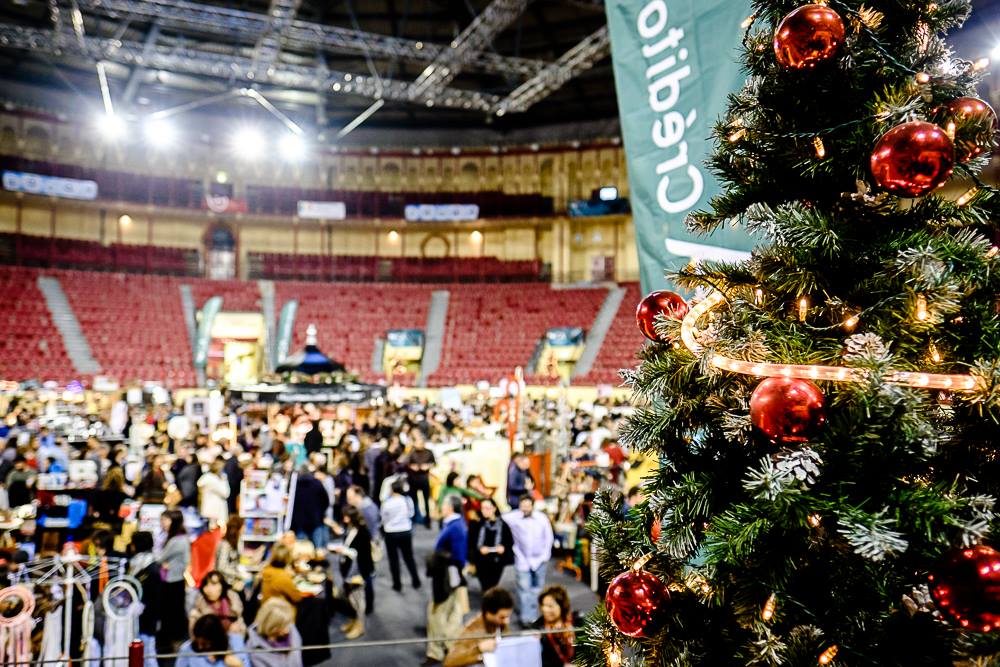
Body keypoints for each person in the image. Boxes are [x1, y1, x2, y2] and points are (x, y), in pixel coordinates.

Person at [424, 494, 468, 666]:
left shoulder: (455, 527)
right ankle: (448, 647)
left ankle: (439, 651)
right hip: (448, 574)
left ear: (450, 507)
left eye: (443, 504)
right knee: (451, 613)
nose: (441, 507)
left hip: (447, 576)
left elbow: (458, 558)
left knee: (437, 612)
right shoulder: (453, 524)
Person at [503, 495, 554, 626]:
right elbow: (499, 517)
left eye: (527, 505)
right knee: (524, 589)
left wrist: (545, 557)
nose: (525, 508)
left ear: (532, 505)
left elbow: (549, 537)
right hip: (522, 559)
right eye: (522, 506)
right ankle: (527, 619)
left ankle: (535, 615)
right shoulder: (513, 517)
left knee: (537, 589)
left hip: (540, 559)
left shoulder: (542, 518)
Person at [443, 587, 515, 667]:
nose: (507, 621)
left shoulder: (500, 624)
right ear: (489, 613)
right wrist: (478, 649)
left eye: (508, 617)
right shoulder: (472, 631)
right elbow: (449, 662)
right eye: (502, 617)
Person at [330, 505, 373, 639]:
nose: (344, 518)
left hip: (359, 571)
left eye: (346, 516)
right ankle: (353, 621)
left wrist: (342, 550)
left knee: (358, 601)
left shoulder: (363, 532)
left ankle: (360, 626)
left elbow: (360, 553)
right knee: (350, 598)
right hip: (348, 570)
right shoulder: (350, 530)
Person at [157, 509, 192, 648]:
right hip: (175, 580)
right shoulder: (180, 537)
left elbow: (160, 558)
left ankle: (170, 641)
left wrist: (167, 564)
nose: (162, 523)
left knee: (171, 613)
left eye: (165, 520)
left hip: (172, 581)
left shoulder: (177, 540)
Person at [380, 479, 421, 592]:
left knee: (394, 560)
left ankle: (397, 584)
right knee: (409, 557)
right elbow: (411, 513)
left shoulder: (387, 503)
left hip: (391, 532)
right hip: (405, 531)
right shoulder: (407, 500)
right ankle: (416, 580)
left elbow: (383, 518)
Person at [190, 571, 247, 651]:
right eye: (206, 585)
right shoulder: (199, 606)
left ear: (222, 585)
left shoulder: (232, 599)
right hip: (210, 643)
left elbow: (239, 620)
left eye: (214, 584)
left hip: (232, 641)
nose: (209, 589)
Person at [127, 531, 161, 667]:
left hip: (147, 618)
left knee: (147, 654)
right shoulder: (141, 564)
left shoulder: (149, 568)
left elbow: (153, 595)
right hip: (141, 617)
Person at [344, 485, 379, 614]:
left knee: (367, 575)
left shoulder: (367, 510)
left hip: (368, 548)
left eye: (350, 498)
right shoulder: (363, 507)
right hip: (365, 547)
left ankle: (367, 606)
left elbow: (369, 532)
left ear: (358, 496)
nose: (348, 501)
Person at [467, 497, 514, 592]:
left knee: (493, 584)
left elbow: (509, 542)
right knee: (486, 586)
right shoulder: (477, 524)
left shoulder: (503, 525)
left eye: (488, 508)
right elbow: (470, 543)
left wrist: (503, 548)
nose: (485, 511)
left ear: (494, 508)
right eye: (483, 508)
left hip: (497, 561)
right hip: (481, 561)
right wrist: (478, 551)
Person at [245, 598, 303, 667]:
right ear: (272, 626)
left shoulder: (291, 628)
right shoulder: (255, 650)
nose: (288, 629)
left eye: (289, 623)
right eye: (283, 625)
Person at [175, 614, 247, 667]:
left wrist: (239, 665)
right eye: (197, 642)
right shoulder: (187, 648)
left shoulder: (235, 641)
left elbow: (246, 664)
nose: (200, 647)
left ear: (216, 639)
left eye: (204, 643)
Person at [532, 585, 576, 667]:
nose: (545, 609)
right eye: (543, 605)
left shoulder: (576, 621)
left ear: (562, 606)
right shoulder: (538, 629)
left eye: (550, 606)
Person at [289, 467, 330, 548]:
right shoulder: (317, 483)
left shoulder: (295, 485)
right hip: (315, 520)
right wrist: (321, 512)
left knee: (301, 548)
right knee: (317, 548)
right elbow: (326, 500)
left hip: (299, 521)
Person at [403, 435, 435, 528]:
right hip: (413, 479)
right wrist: (412, 467)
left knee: (426, 501)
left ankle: (427, 520)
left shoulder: (429, 452)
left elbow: (433, 463)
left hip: (424, 479)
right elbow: (406, 463)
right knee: (414, 501)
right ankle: (414, 520)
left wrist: (427, 466)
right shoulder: (411, 452)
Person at [260, 544, 303, 610]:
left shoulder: (266, 570)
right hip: (280, 614)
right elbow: (297, 597)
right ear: (287, 558)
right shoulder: (282, 577)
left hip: (266, 610)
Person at [198, 458, 231, 526]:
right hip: (215, 511)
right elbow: (226, 493)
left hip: (208, 510)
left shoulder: (206, 477)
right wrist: (224, 480)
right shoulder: (213, 479)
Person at [216, 516, 245, 592]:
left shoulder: (235, 542)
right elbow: (221, 567)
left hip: (232, 580)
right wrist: (238, 574)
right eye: (242, 527)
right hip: (226, 582)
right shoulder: (225, 545)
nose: (244, 529)